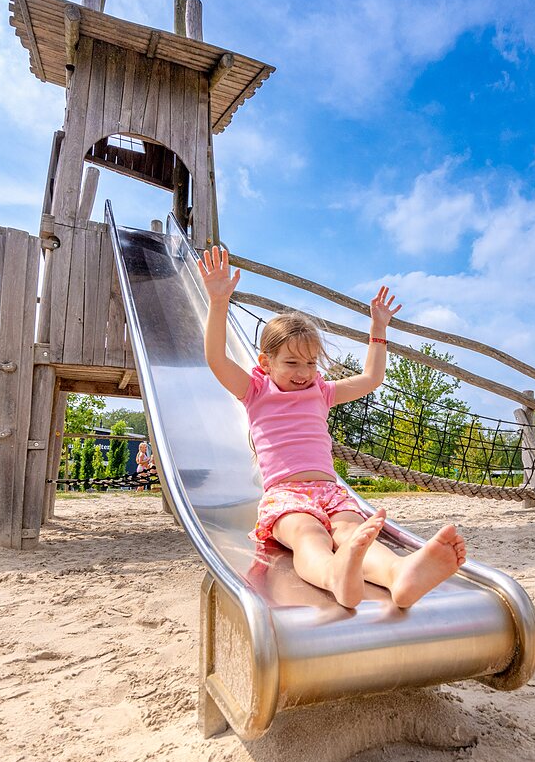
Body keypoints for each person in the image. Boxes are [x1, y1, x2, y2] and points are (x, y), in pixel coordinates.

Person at [198, 246, 466, 609]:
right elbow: (216, 359)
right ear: (266, 361)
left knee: (353, 533)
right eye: (291, 362)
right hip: (286, 496)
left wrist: (378, 329)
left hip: (331, 491)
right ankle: (334, 575)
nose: (303, 372)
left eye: (310, 362)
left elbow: (371, 378)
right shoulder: (255, 390)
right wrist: (218, 302)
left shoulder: (321, 392)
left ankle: (399, 574)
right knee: (309, 536)